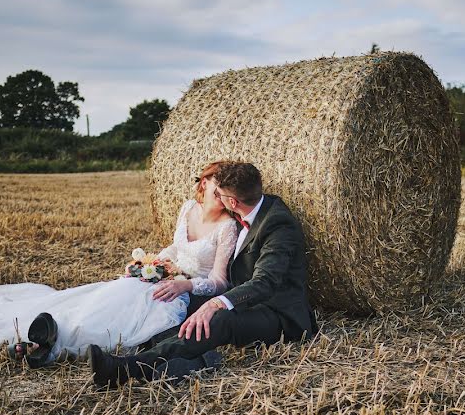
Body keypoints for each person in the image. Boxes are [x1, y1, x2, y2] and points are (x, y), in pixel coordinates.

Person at [0, 162, 238, 365]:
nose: (224, 191)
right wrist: (152, 264)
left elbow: (220, 281)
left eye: (229, 187)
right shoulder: (188, 208)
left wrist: (184, 284)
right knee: (107, 296)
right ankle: (47, 332)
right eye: (219, 185)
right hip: (163, 278)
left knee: (123, 321)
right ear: (205, 183)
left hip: (182, 291)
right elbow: (176, 248)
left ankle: (51, 344)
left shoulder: (227, 227)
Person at [86, 161, 317, 388]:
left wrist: (216, 303)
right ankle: (194, 360)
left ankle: (126, 369)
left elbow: (265, 283)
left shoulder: (278, 225)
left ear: (232, 201)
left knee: (220, 320)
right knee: (175, 307)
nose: (216, 197)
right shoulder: (248, 207)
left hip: (277, 312)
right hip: (243, 297)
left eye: (220, 194)